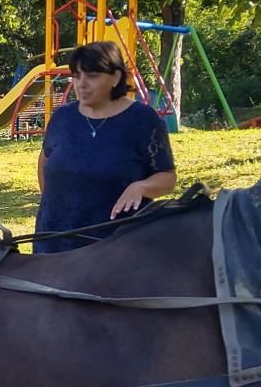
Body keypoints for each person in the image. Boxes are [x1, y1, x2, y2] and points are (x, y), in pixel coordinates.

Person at [33, 41, 176, 253]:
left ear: (116, 77)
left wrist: (140, 187)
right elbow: (45, 160)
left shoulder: (143, 120)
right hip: (54, 242)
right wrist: (52, 205)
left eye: (92, 76)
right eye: (77, 76)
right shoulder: (63, 117)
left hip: (116, 248)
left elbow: (167, 178)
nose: (81, 84)